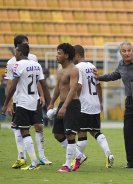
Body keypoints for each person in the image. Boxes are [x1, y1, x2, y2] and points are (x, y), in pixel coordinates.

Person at [4, 35, 51, 169]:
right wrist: (8, 103)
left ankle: (40, 157)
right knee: (18, 128)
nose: (28, 45)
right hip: (18, 99)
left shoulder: (34, 59)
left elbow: (38, 81)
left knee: (37, 126)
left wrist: (41, 95)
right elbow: (10, 83)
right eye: (25, 43)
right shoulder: (11, 63)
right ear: (17, 47)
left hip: (32, 99)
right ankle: (22, 156)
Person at [72, 45, 114, 171]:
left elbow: (78, 87)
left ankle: (77, 160)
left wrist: (74, 100)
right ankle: (108, 154)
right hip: (94, 103)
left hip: (83, 104)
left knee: (81, 133)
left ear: (77, 55)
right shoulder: (92, 67)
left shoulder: (77, 68)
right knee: (95, 131)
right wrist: (100, 102)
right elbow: (98, 86)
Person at [47, 43, 83, 172]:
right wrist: (52, 102)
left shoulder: (73, 70)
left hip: (71, 105)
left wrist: (65, 107)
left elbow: (73, 89)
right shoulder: (59, 69)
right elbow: (58, 87)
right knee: (57, 134)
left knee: (70, 134)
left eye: (59, 53)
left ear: (66, 55)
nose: (56, 55)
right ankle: (79, 155)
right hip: (62, 104)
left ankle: (67, 165)